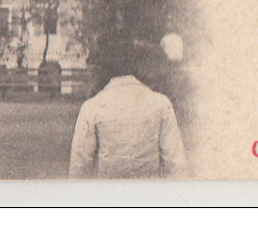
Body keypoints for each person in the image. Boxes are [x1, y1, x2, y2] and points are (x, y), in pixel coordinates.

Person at [68, 42, 189, 178]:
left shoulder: (92, 107)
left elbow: (79, 167)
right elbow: (177, 166)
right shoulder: (161, 103)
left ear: (103, 68)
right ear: (134, 64)